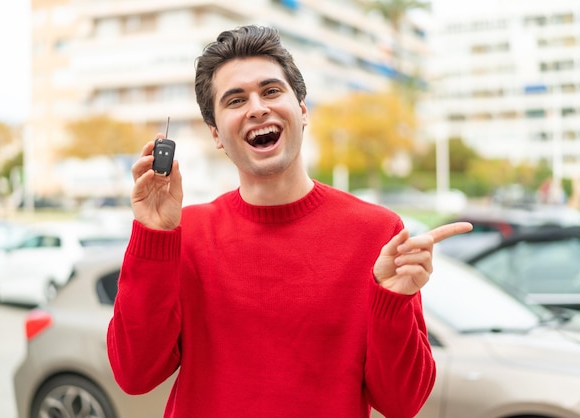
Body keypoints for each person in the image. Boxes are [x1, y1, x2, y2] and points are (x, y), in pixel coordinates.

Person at [107, 25, 472, 418]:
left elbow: (403, 403)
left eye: (271, 91)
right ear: (215, 133)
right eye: (235, 100)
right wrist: (153, 237)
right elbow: (134, 375)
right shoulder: (185, 234)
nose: (257, 107)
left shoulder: (376, 234)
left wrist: (393, 303)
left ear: (301, 110)